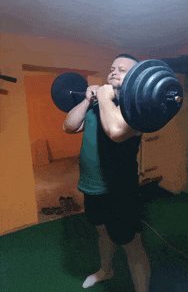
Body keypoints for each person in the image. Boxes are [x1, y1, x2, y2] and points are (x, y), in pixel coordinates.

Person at [63, 54, 151, 291]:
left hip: (120, 190)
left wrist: (102, 95)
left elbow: (115, 130)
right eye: (112, 68)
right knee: (103, 233)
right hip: (92, 187)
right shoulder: (96, 105)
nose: (113, 71)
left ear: (134, 78)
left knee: (132, 244)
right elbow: (68, 126)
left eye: (122, 70)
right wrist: (87, 100)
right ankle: (106, 270)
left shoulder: (136, 108)